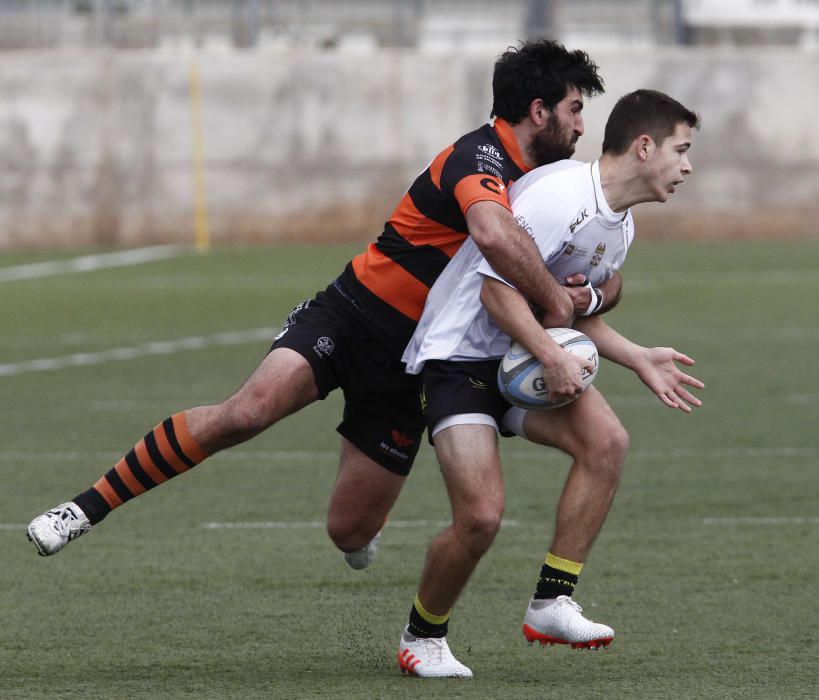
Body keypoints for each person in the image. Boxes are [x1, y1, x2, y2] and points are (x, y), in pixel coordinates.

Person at [26, 40, 609, 572]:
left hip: (415, 362)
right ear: (539, 111)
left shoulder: (551, 186)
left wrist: (589, 292)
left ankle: (360, 531)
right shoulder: (478, 157)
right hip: (352, 314)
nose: (582, 125)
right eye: (575, 109)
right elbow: (491, 233)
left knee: (349, 531)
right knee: (245, 413)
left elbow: (597, 272)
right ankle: (83, 509)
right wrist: (556, 298)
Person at [395, 90, 704, 678]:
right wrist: (551, 356)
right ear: (644, 147)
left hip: (519, 357)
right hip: (458, 357)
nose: (687, 166)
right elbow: (496, 291)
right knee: (481, 518)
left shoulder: (622, 228)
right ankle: (423, 636)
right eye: (681, 151)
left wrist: (636, 356)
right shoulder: (560, 194)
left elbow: (568, 308)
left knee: (607, 443)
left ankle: (551, 603)